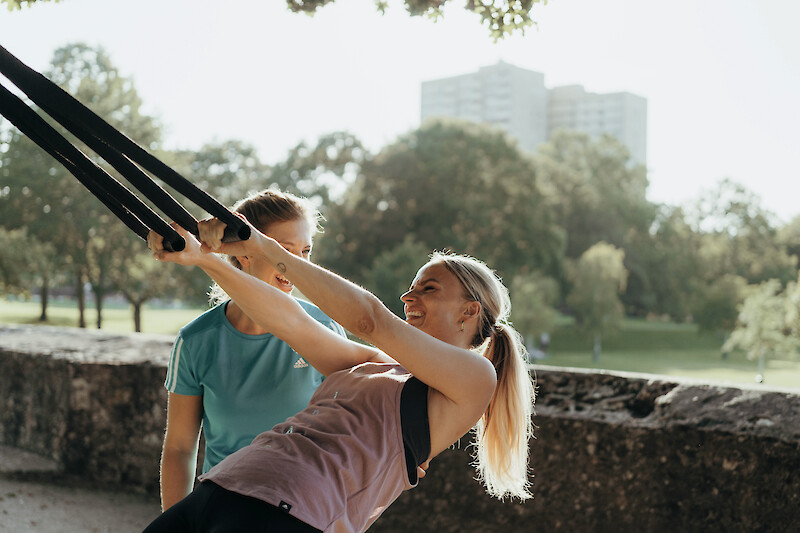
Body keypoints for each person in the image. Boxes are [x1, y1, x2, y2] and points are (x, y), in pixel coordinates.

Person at [143, 215, 535, 533]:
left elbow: (370, 318)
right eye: (411, 287)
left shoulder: (475, 378)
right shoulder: (377, 363)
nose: (407, 298)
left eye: (428, 289)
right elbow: (289, 321)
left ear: (470, 311)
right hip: (226, 484)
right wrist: (203, 259)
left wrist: (263, 246)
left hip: (290, 511)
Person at [159, 189, 347, 512]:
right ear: (244, 253)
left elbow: (351, 432)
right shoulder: (196, 341)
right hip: (220, 509)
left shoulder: (324, 329)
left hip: (303, 512)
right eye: (285, 251)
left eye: (305, 251)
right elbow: (178, 447)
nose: (298, 264)